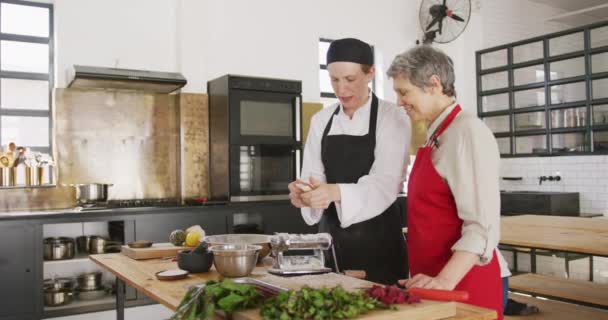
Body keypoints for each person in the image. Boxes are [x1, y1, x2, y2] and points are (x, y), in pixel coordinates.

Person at [387, 45, 503, 320]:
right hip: (433, 283)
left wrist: (445, 281)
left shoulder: (467, 132)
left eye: (404, 92)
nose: (400, 101)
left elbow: (482, 227)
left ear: (433, 84)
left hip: (462, 287)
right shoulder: (437, 133)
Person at [288, 38, 411, 285]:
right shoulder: (321, 120)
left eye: (350, 79)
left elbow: (384, 184)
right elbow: (313, 175)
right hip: (331, 242)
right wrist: (305, 195)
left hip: (380, 244)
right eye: (334, 80)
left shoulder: (393, 117)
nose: (341, 89)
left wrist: (332, 192)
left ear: (370, 74)